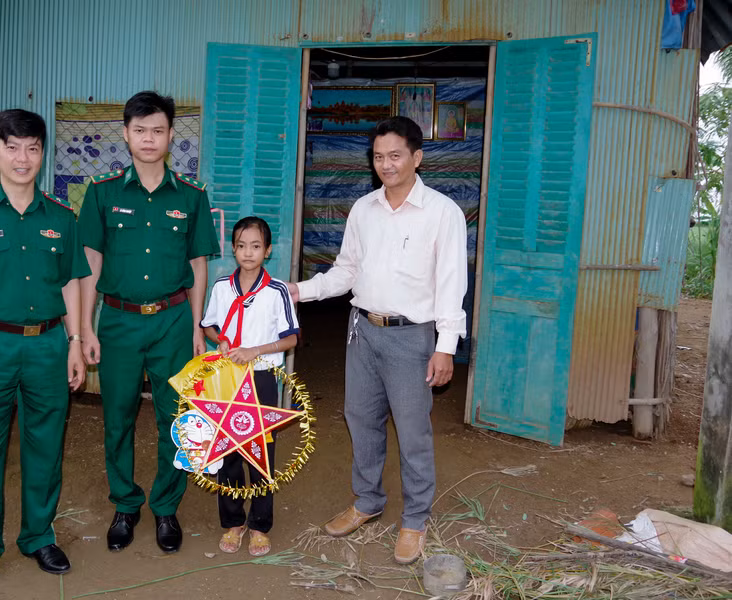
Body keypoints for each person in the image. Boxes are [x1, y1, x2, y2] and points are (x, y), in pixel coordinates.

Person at [288, 116, 467, 565]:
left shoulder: (442, 213)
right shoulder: (364, 209)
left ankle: (415, 519)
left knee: (413, 432)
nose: (386, 164)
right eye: (378, 157)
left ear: (417, 157)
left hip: (412, 338)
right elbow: (347, 271)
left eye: (395, 156)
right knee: (361, 419)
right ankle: (367, 500)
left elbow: (451, 282)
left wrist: (446, 344)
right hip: (362, 330)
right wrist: (300, 291)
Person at [0, 109, 90, 593]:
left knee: (45, 445)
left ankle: (38, 535)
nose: (21, 158)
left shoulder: (61, 217)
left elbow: (70, 281)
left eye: (31, 148)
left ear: (42, 154)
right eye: (12, 147)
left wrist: (72, 342)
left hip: (46, 345)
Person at [77, 91, 220, 554]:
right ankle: (125, 503)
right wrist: (86, 326)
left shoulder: (191, 196)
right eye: (140, 130)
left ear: (171, 135)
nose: (149, 139)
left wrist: (199, 326)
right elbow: (90, 263)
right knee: (116, 416)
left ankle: (165, 508)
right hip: (117, 321)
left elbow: (199, 264)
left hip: (173, 321)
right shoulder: (102, 192)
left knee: (174, 417)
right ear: (126, 134)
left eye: (158, 130)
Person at [200, 217, 300, 557]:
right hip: (227, 379)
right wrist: (223, 341)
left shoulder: (277, 292)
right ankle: (233, 522)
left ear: (267, 251)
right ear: (233, 248)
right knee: (227, 452)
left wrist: (256, 350)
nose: (248, 252)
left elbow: (291, 338)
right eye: (241, 245)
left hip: (261, 379)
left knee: (260, 455)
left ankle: (260, 525)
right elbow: (209, 326)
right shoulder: (221, 288)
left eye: (256, 246)